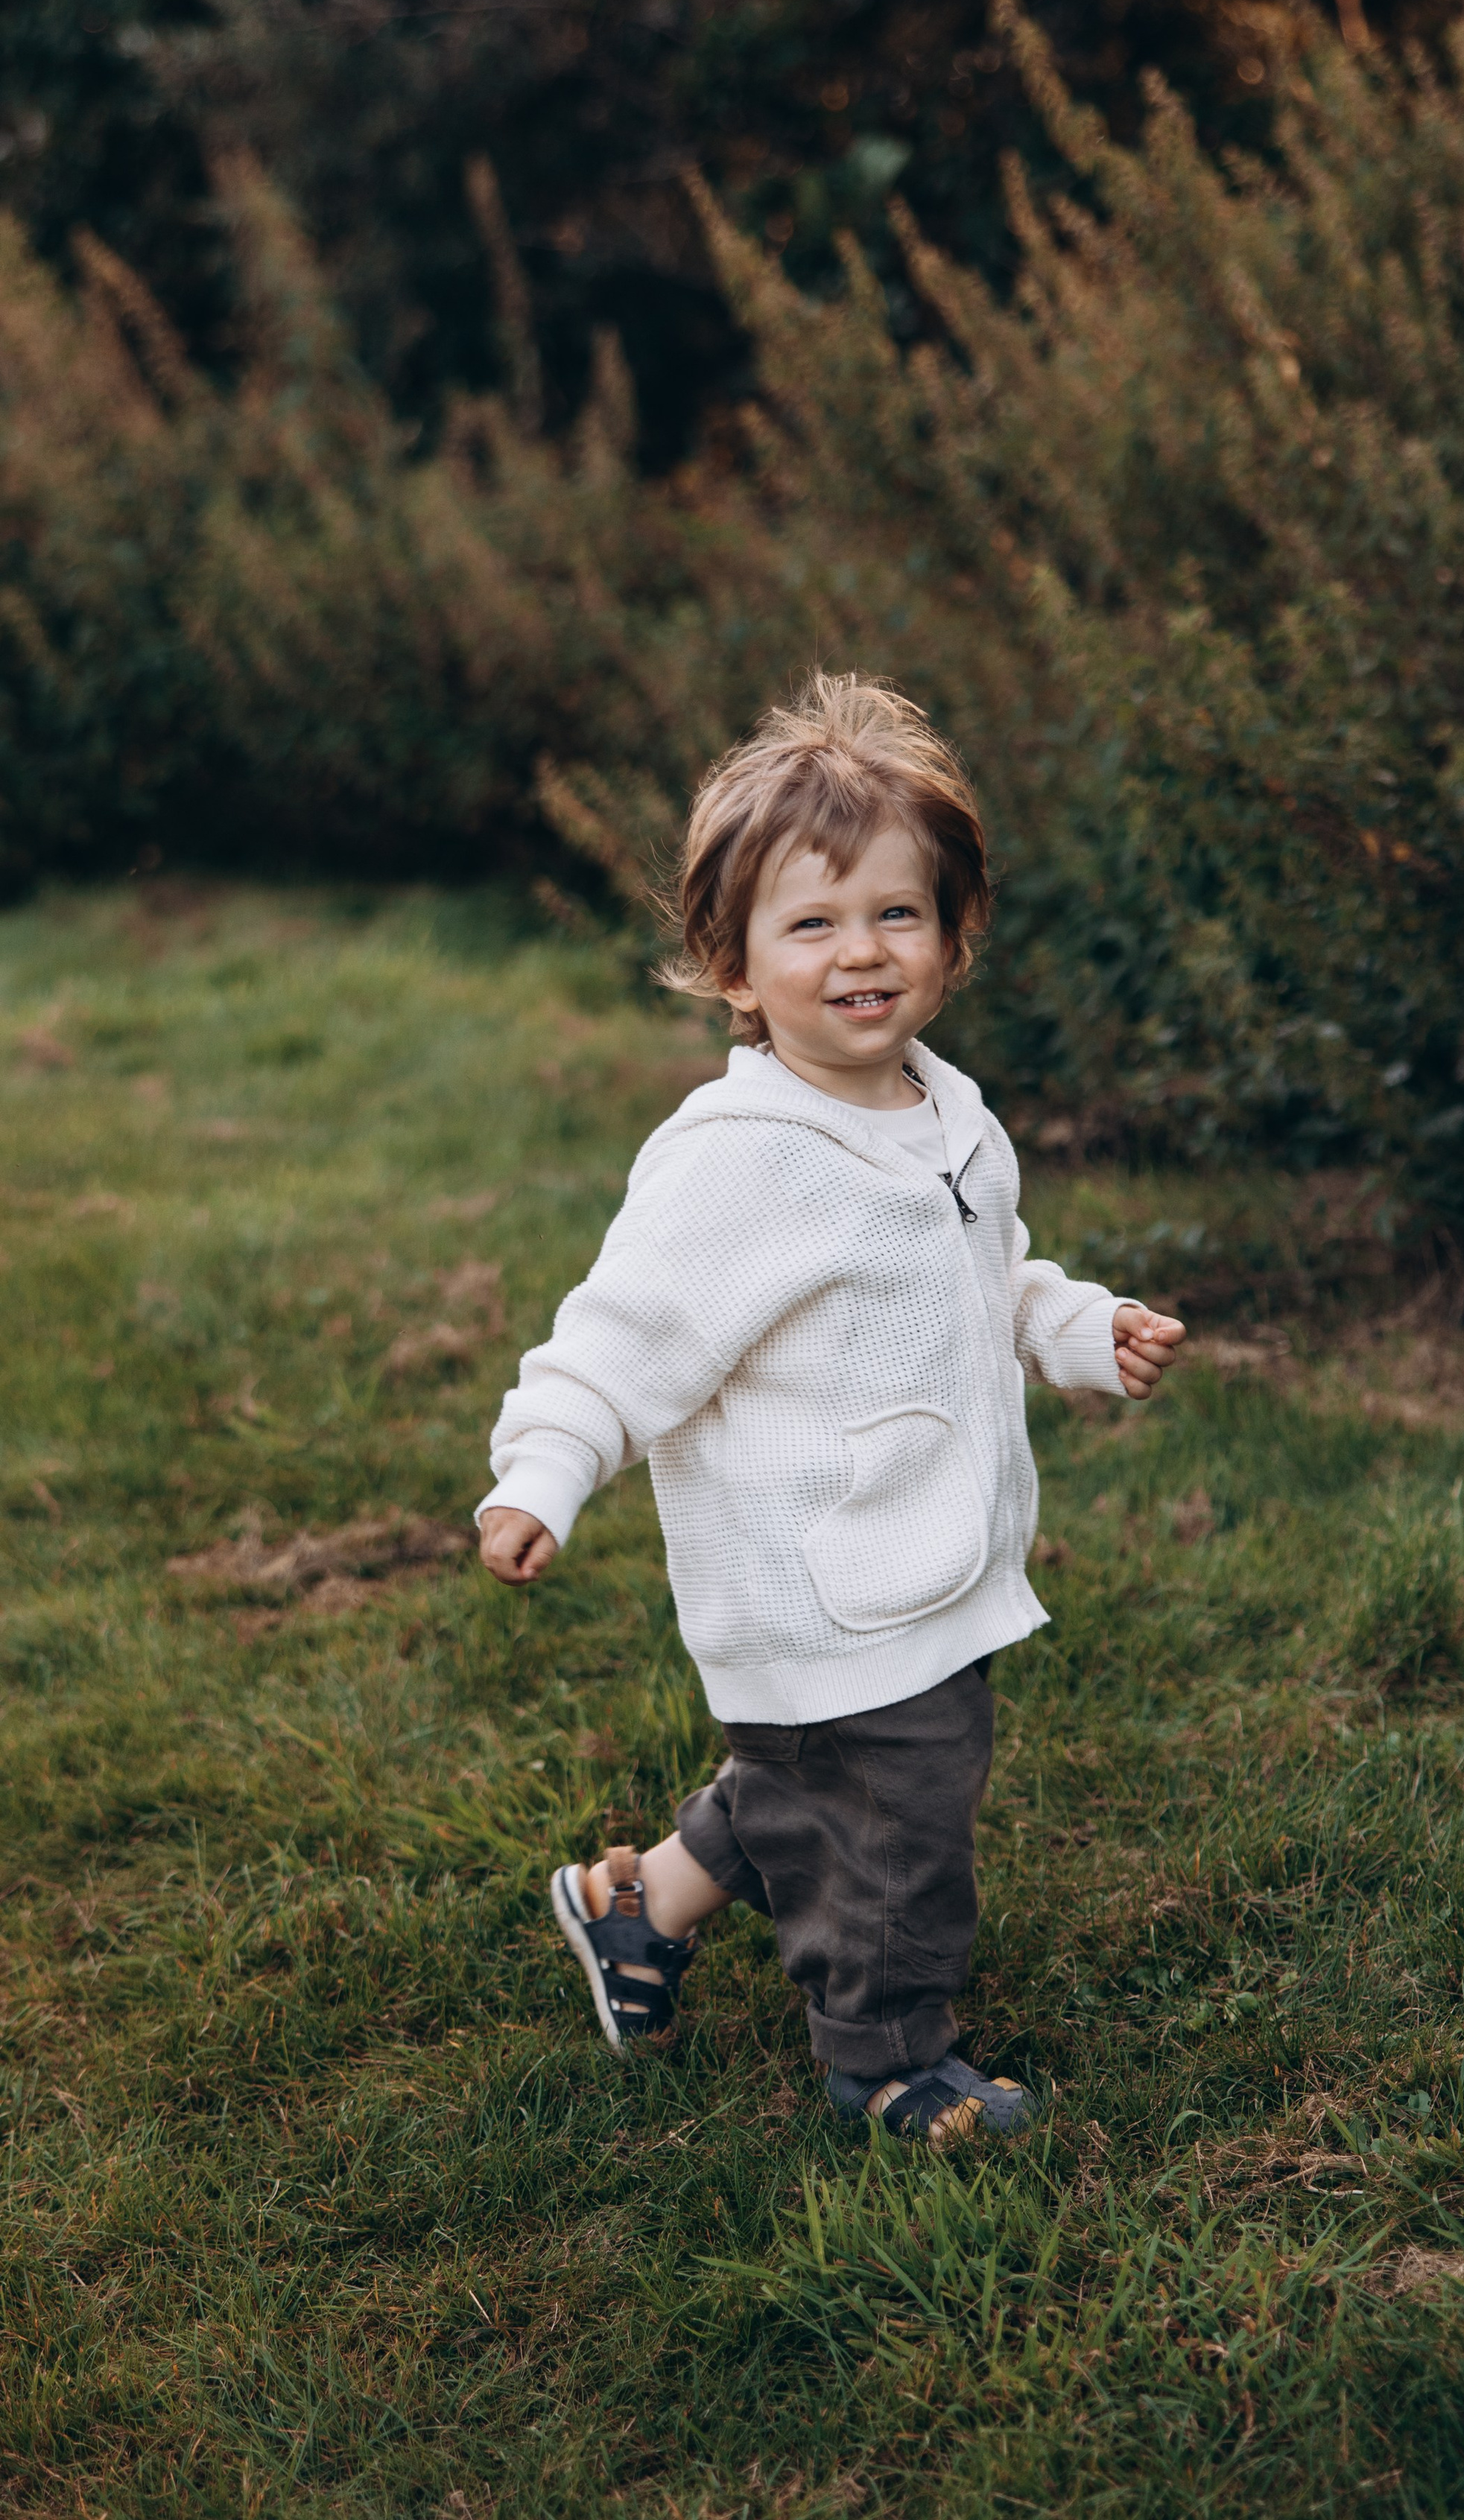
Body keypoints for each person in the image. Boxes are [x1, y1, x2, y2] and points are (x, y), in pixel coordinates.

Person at [477, 675, 1185, 2146]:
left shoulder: (943, 1106)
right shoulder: (738, 1156)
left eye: (895, 915)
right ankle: (889, 2059)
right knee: (893, 1824)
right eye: (810, 924)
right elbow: (621, 1336)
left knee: (815, 1778)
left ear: (951, 935)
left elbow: (987, 1273)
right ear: (730, 965)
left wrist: (1074, 1325)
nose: (859, 952)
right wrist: (541, 1469)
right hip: (823, 1581)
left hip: (911, 1559)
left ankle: (641, 1904)